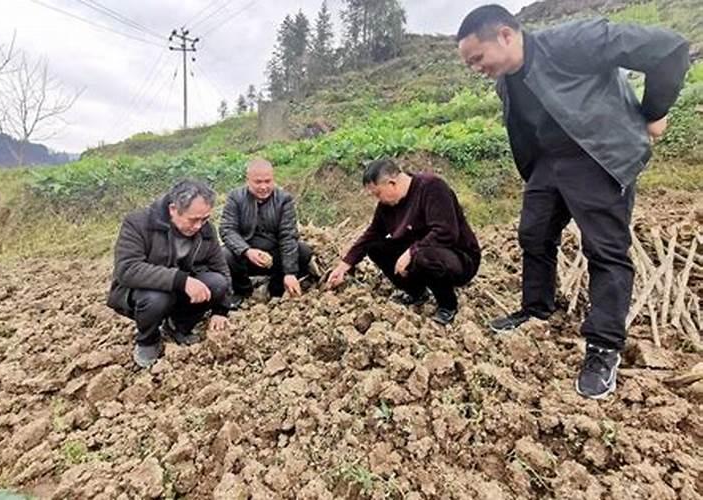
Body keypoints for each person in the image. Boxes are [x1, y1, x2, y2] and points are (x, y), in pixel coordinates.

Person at [457, 5, 690, 398]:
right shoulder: (506, 79)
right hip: (549, 164)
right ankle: (536, 309)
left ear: (505, 35)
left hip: (596, 155)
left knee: (605, 250)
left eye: (478, 58)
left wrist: (654, 113)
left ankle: (603, 348)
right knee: (533, 236)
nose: (477, 68)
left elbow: (668, 49)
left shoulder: (572, 42)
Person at [326, 158, 481, 325]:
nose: (378, 200)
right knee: (375, 247)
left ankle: (447, 306)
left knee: (422, 256)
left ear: (392, 183)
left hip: (459, 257)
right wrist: (344, 265)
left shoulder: (432, 187)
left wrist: (410, 253)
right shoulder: (387, 206)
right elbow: (371, 234)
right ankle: (417, 292)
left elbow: (446, 232)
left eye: (378, 193)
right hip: (421, 254)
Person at [107, 180, 230, 368]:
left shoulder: (206, 230)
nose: (199, 226)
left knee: (217, 283)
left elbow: (221, 269)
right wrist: (181, 281)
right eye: (193, 219)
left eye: (204, 219)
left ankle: (178, 326)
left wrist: (221, 310)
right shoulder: (139, 223)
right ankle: (148, 340)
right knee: (157, 298)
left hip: (180, 291)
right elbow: (127, 269)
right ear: (173, 209)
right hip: (143, 294)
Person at [220, 158, 315, 307]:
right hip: (246, 256)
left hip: (274, 255)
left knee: (303, 251)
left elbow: (288, 235)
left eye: (268, 181)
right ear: (248, 180)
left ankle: (276, 287)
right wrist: (246, 251)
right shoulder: (235, 198)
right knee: (225, 254)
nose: (263, 187)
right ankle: (243, 290)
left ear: (273, 179)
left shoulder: (284, 200)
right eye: (258, 182)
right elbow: (227, 229)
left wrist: (290, 272)